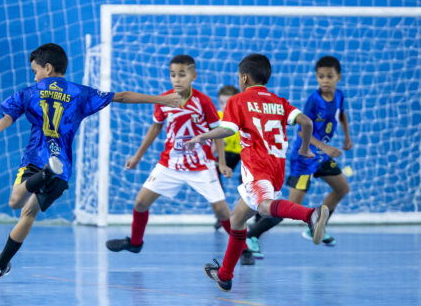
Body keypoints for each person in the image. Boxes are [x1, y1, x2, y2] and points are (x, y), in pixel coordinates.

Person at [0, 43, 180, 280]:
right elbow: (122, 96)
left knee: (16, 202)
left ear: (47, 68)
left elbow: (7, 118)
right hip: (62, 166)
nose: (34, 77)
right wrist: (162, 99)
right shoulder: (80, 93)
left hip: (36, 157)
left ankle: (42, 175)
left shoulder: (30, 92)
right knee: (29, 212)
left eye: (35, 71)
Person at [185, 53, 329, 292]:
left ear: (244, 78)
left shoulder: (238, 100)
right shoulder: (279, 101)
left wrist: (201, 136)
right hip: (276, 168)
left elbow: (227, 130)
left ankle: (310, 215)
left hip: (257, 167)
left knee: (263, 207)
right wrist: (305, 149)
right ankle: (225, 275)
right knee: (237, 220)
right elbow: (306, 122)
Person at [105, 55, 233, 254]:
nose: (177, 79)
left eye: (182, 75)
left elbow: (218, 132)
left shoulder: (204, 102)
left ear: (193, 76)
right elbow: (155, 127)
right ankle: (135, 243)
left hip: (201, 165)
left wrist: (222, 163)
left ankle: (243, 248)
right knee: (140, 202)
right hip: (170, 164)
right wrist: (138, 156)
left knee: (221, 211)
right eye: (173, 75)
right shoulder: (163, 100)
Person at [244, 56, 351, 254]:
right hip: (304, 158)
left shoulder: (339, 95)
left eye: (329, 76)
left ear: (338, 77)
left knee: (342, 188)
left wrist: (347, 137)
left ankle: (315, 228)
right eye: (321, 76)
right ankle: (252, 235)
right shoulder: (314, 101)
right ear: (316, 77)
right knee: (291, 206)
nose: (325, 80)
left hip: (321, 157)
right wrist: (326, 147)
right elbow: (302, 132)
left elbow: (341, 113)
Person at [212, 85, 242, 231]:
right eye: (222, 103)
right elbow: (213, 140)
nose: (225, 106)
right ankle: (222, 213)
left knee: (247, 181)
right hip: (227, 152)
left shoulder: (243, 116)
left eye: (229, 103)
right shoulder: (217, 117)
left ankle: (257, 212)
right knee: (213, 173)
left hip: (245, 152)